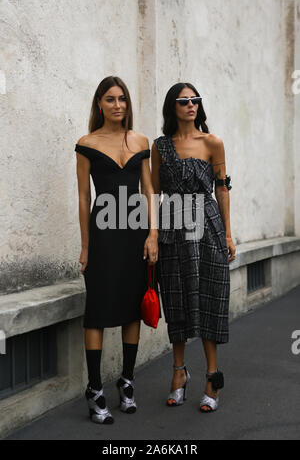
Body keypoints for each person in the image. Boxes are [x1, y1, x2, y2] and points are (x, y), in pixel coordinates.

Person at [75, 76, 158, 424]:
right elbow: (83, 198)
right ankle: (95, 389)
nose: (118, 105)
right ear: (99, 104)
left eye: (122, 99)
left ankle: (126, 380)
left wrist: (153, 234)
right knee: (97, 309)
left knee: (130, 307)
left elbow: (149, 190)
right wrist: (85, 247)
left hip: (135, 233)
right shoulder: (86, 143)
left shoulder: (139, 140)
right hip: (103, 235)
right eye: (110, 99)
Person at [151, 82, 236, 413]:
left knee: (209, 297)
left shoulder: (212, 142)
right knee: (176, 298)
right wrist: (153, 234)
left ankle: (212, 377)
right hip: (173, 229)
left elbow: (223, 188)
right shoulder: (161, 147)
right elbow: (155, 193)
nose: (191, 105)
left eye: (195, 100)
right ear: (172, 107)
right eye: (184, 101)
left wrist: (228, 234)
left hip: (208, 227)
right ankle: (178, 373)